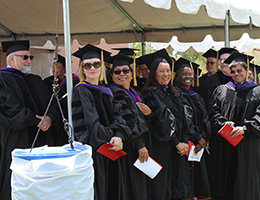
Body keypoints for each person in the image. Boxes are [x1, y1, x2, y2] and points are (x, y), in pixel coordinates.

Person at [0, 40, 60, 199]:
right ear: (11, 59)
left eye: (30, 57)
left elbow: (52, 101)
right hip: (17, 138)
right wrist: (35, 120)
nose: (29, 61)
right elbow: (9, 107)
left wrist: (49, 118)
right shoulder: (2, 79)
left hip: (42, 136)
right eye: (25, 57)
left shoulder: (35, 80)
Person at [71, 44, 131, 200]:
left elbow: (117, 116)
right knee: (100, 188)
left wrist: (119, 136)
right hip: (95, 148)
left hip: (111, 146)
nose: (92, 68)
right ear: (82, 69)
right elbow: (91, 122)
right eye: (87, 65)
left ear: (102, 67)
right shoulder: (81, 90)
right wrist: (112, 137)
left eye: (96, 64)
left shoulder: (106, 90)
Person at [141, 49, 198, 200]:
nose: (166, 74)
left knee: (178, 187)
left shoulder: (174, 93)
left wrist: (185, 141)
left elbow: (187, 117)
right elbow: (161, 120)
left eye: (168, 70)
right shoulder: (150, 93)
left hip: (179, 149)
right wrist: (176, 143)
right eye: (161, 71)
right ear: (154, 73)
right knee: (162, 187)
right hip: (163, 148)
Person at [209, 52, 260, 200]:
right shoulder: (222, 90)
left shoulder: (257, 91)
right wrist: (223, 123)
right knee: (224, 180)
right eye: (233, 71)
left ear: (246, 70)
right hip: (225, 143)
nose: (236, 73)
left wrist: (245, 128)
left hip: (248, 144)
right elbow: (213, 112)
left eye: (240, 70)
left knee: (245, 182)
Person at [107, 53, 151, 200]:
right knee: (133, 186)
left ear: (132, 74)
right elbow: (126, 121)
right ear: (112, 76)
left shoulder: (134, 93)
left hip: (141, 144)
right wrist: (139, 144)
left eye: (126, 71)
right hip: (130, 147)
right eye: (117, 72)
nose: (122, 74)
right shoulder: (116, 94)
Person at [174, 57, 211, 198]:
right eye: (184, 74)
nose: (188, 77)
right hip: (187, 141)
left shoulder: (197, 95)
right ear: (177, 76)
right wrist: (197, 137)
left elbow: (205, 119)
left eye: (190, 74)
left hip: (199, 144)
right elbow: (184, 120)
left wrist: (205, 138)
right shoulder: (176, 95)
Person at [198, 47, 238, 120]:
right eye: (220, 60)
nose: (222, 62)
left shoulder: (240, 81)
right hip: (218, 124)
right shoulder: (211, 81)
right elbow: (207, 106)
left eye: (225, 60)